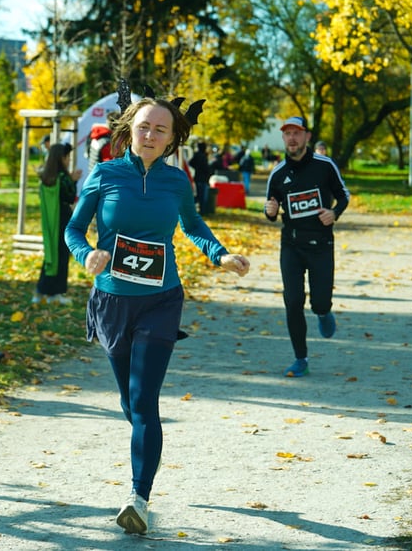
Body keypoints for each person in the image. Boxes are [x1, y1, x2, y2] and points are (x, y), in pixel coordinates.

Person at [65, 97, 251, 535]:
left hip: (161, 299)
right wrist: (86, 254)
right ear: (131, 129)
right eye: (144, 127)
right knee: (131, 404)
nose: (150, 136)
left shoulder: (176, 181)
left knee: (145, 401)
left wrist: (219, 255)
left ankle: (138, 498)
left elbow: (192, 225)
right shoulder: (105, 175)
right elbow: (73, 228)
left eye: (160, 130)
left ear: (172, 138)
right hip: (112, 301)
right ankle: (146, 450)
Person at [263, 116, 350, 378]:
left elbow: (343, 195)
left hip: (321, 244)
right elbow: (271, 207)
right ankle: (300, 359)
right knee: (292, 301)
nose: (292, 138)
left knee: (320, 302)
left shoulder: (325, 166)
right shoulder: (277, 173)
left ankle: (323, 312)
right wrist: (269, 211)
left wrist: (334, 213)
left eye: (297, 133)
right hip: (291, 245)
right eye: (287, 133)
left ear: (307, 136)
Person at [33, 142, 81, 305]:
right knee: (60, 256)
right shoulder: (63, 178)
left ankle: (41, 291)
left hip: (50, 221)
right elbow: (69, 197)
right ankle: (55, 292)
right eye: (67, 157)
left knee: (51, 255)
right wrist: (73, 180)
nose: (68, 160)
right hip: (62, 219)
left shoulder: (46, 177)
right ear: (61, 158)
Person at [187, 141, 212, 214]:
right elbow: (206, 168)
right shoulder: (203, 156)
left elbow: (191, 162)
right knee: (202, 197)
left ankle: (197, 210)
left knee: (198, 195)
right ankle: (202, 211)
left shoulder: (197, 155)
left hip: (198, 177)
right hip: (203, 178)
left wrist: (197, 167)